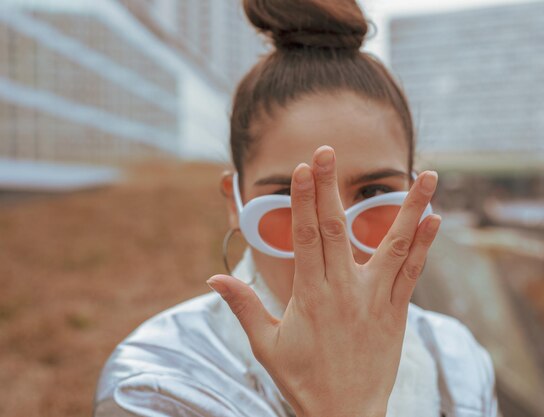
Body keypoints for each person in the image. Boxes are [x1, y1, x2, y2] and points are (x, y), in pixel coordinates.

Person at [93, 1, 499, 416]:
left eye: (375, 193)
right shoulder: (155, 385)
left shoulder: (458, 363)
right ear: (235, 203)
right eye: (290, 196)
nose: (329, 238)